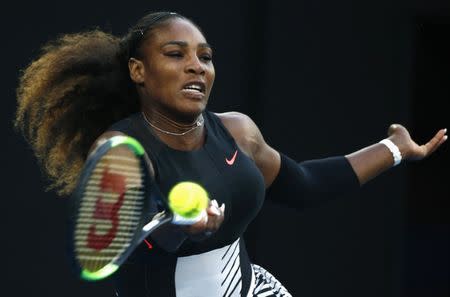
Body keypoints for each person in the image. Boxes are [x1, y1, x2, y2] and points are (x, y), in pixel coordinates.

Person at [14, 11, 447, 297]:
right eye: (175, 54)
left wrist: (394, 149)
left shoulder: (237, 132)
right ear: (137, 71)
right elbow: (140, 240)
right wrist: (183, 226)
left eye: (205, 57)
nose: (196, 66)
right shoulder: (121, 151)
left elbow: (303, 186)